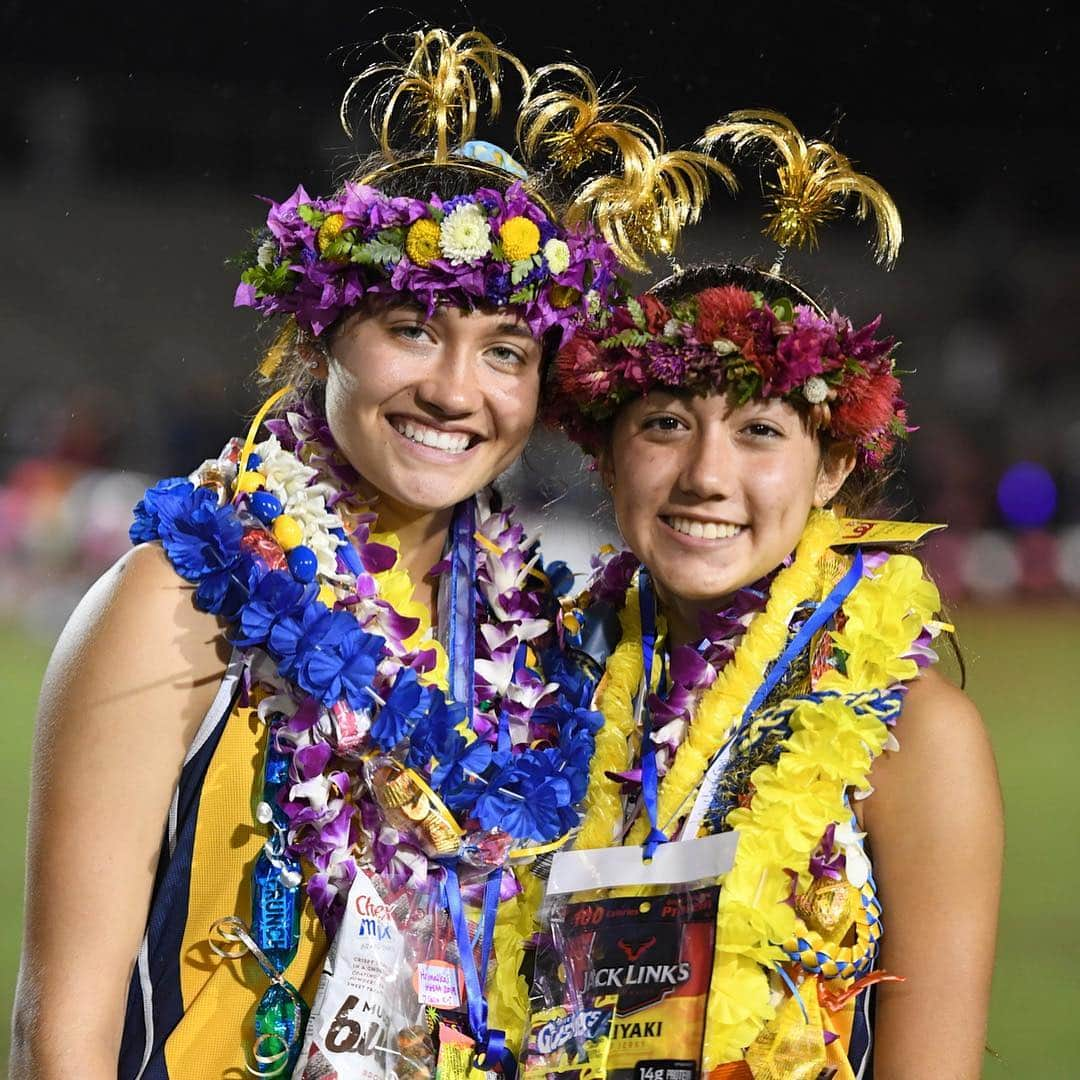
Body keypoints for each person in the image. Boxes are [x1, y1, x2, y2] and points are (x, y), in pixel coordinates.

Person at [11, 29, 708, 1079]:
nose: (456, 391)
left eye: (506, 353)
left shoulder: (542, 647)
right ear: (322, 330)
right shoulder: (174, 604)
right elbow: (56, 1038)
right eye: (414, 329)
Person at [541, 115, 1003, 1078]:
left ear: (831, 468)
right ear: (607, 456)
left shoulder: (914, 739)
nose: (707, 476)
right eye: (665, 423)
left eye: (758, 430)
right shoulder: (532, 693)